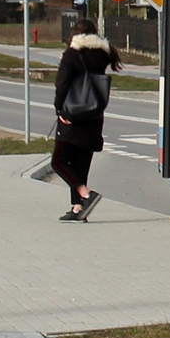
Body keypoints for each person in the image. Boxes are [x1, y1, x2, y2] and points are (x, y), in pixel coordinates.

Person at [52, 18, 122, 222]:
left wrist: (60, 110)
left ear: (75, 34)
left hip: (72, 114)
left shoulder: (72, 55)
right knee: (81, 162)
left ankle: (85, 194)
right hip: (93, 114)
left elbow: (62, 85)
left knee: (59, 161)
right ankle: (78, 208)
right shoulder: (102, 54)